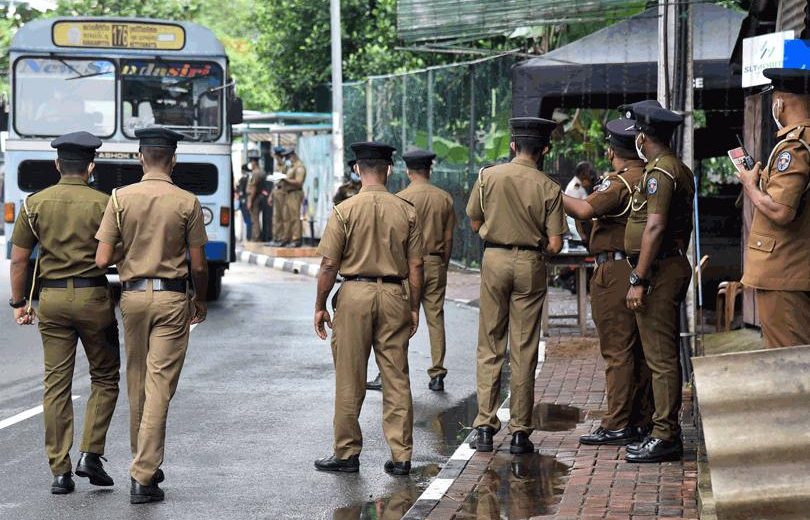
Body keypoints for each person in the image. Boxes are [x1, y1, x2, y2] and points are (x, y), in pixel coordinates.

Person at [95, 126, 208, 504]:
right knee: (159, 386)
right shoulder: (187, 202)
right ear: (173, 160)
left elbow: (102, 259)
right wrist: (200, 299)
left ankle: (142, 461)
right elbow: (199, 265)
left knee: (138, 381)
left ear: (140, 158)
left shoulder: (119, 198)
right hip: (172, 299)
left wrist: (130, 249)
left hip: (132, 298)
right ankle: (143, 475)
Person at [9, 131, 119, 495]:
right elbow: (118, 252)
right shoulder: (107, 204)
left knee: (56, 384)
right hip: (94, 298)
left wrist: (19, 303)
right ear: (91, 167)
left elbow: (19, 260)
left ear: (57, 165)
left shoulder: (33, 204)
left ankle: (60, 471)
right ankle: (91, 453)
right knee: (105, 376)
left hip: (52, 301)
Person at [313, 141, 424, 476]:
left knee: (350, 376)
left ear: (357, 169)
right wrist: (413, 307)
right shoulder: (406, 211)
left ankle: (347, 453)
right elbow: (416, 266)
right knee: (396, 376)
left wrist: (320, 305)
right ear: (389, 169)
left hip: (354, 294)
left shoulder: (344, 210)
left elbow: (329, 264)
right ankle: (401, 455)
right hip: (394, 295)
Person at [466, 117, 567, 454]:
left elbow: (474, 221)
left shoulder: (487, 177)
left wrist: (494, 232)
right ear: (545, 150)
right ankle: (520, 432)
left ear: (513, 146)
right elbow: (555, 244)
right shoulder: (549, 187)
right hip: (530, 264)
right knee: (524, 348)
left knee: (490, 344)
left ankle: (484, 426)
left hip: (494, 260)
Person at [562, 117, 653, 447]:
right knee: (638, 350)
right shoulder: (649, 175)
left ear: (612, 151)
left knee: (617, 350)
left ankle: (616, 423)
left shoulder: (620, 181)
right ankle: (640, 419)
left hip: (615, 271)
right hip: (636, 267)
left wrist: (548, 191)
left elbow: (584, 211)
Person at [622, 102, 693, 463]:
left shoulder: (661, 172)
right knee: (659, 354)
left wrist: (639, 277)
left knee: (661, 357)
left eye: (636, 132)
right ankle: (662, 430)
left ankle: (665, 435)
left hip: (660, 270)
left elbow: (655, 226)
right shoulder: (669, 168)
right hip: (664, 266)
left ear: (643, 137)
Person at [739, 68, 810, 348]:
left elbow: (781, 210)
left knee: (788, 359)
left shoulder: (794, 147)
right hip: (799, 268)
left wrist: (751, 187)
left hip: (785, 273)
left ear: (779, 103)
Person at [398, 149, 456, 391]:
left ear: (408, 171)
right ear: (429, 170)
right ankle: (438, 373)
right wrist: (443, 263)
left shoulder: (400, 199)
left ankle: (395, 370)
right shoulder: (444, 198)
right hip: (434, 262)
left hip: (407, 267)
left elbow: (397, 239)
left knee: (400, 320)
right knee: (435, 319)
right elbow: (449, 238)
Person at [282, 148, 307, 247]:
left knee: (295, 217)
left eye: (288, 157)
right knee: (287, 217)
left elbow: (299, 182)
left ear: (293, 156)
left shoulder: (299, 167)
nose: (288, 159)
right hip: (288, 194)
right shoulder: (290, 167)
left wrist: (285, 179)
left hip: (295, 193)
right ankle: (287, 238)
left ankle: (296, 239)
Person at [270, 146, 288, 246]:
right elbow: (275, 182)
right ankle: (276, 237)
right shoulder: (277, 166)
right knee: (276, 216)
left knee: (283, 216)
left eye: (276, 156)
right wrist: (271, 195)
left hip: (283, 192)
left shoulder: (285, 166)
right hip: (276, 191)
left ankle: (282, 238)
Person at [246, 150, 264, 242]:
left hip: (254, 198)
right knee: (254, 218)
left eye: (251, 162)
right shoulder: (259, 172)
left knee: (254, 219)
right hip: (257, 196)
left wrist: (250, 201)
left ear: (254, 162)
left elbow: (254, 187)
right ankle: (255, 236)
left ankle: (256, 237)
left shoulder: (256, 173)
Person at [237, 164, 252, 241]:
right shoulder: (250, 178)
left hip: (244, 201)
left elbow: (239, 190)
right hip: (247, 200)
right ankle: (248, 236)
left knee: (247, 219)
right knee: (248, 219)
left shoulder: (243, 179)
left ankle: (248, 236)